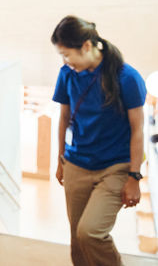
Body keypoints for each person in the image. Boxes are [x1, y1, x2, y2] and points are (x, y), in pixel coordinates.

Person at [51, 15, 146, 266]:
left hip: (115, 167)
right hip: (77, 164)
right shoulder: (67, 75)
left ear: (86, 46)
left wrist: (134, 176)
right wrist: (60, 159)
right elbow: (63, 118)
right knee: (77, 238)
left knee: (90, 232)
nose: (65, 61)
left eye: (67, 54)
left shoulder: (127, 77)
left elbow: (138, 129)